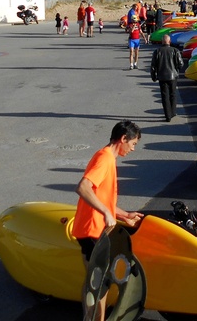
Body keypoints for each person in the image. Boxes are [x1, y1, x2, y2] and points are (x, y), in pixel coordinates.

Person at [71, 121, 144, 321]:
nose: (133, 148)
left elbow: (102, 199)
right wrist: (106, 212)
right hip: (91, 230)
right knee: (99, 285)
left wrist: (123, 215)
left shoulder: (108, 159)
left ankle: (91, 318)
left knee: (94, 283)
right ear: (123, 139)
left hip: (93, 229)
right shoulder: (104, 158)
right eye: (133, 143)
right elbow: (83, 187)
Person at [150, 34, 185, 121]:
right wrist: (177, 70)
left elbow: (153, 66)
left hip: (162, 76)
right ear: (169, 41)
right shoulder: (175, 50)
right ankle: (173, 112)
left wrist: (153, 76)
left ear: (162, 41)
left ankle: (167, 115)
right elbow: (181, 64)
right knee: (173, 94)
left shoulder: (157, 51)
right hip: (173, 75)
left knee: (164, 95)